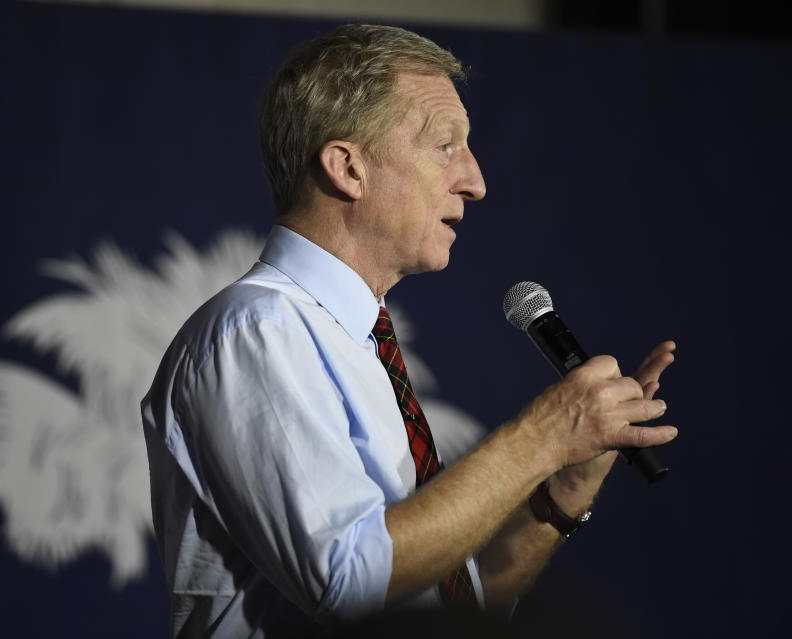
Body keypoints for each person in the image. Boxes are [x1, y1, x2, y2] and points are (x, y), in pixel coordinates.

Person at [141, 24, 677, 638]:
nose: (475, 181)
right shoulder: (257, 333)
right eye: (445, 145)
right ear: (348, 168)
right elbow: (351, 584)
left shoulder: (359, 341)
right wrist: (545, 435)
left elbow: (446, 613)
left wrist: (566, 486)